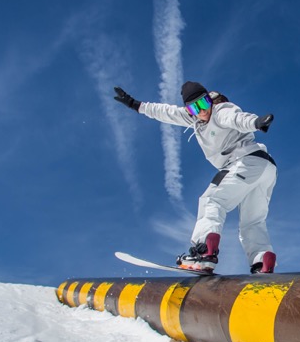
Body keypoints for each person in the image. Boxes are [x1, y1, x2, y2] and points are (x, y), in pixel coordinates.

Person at [113, 81, 277, 274]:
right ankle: (261, 260)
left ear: (210, 100)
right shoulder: (194, 119)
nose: (202, 111)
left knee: (211, 200)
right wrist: (135, 105)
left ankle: (203, 251)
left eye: (204, 103)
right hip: (265, 167)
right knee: (253, 221)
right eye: (194, 108)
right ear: (189, 110)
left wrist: (255, 123)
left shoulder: (220, 110)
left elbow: (236, 118)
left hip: (245, 161)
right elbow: (166, 112)